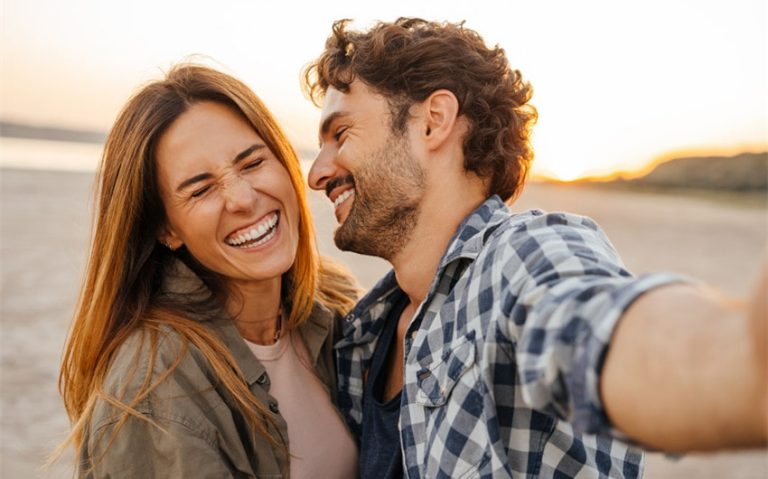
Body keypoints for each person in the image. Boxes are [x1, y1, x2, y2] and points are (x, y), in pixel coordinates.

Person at [303, 18, 767, 478]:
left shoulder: (518, 257)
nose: (316, 173)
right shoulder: (363, 336)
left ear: (433, 122)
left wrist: (740, 361)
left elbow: (594, 328)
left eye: (340, 134)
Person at [58, 64, 361, 478]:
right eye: (201, 189)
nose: (241, 198)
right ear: (166, 228)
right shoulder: (153, 388)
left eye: (252, 163)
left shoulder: (333, 306)